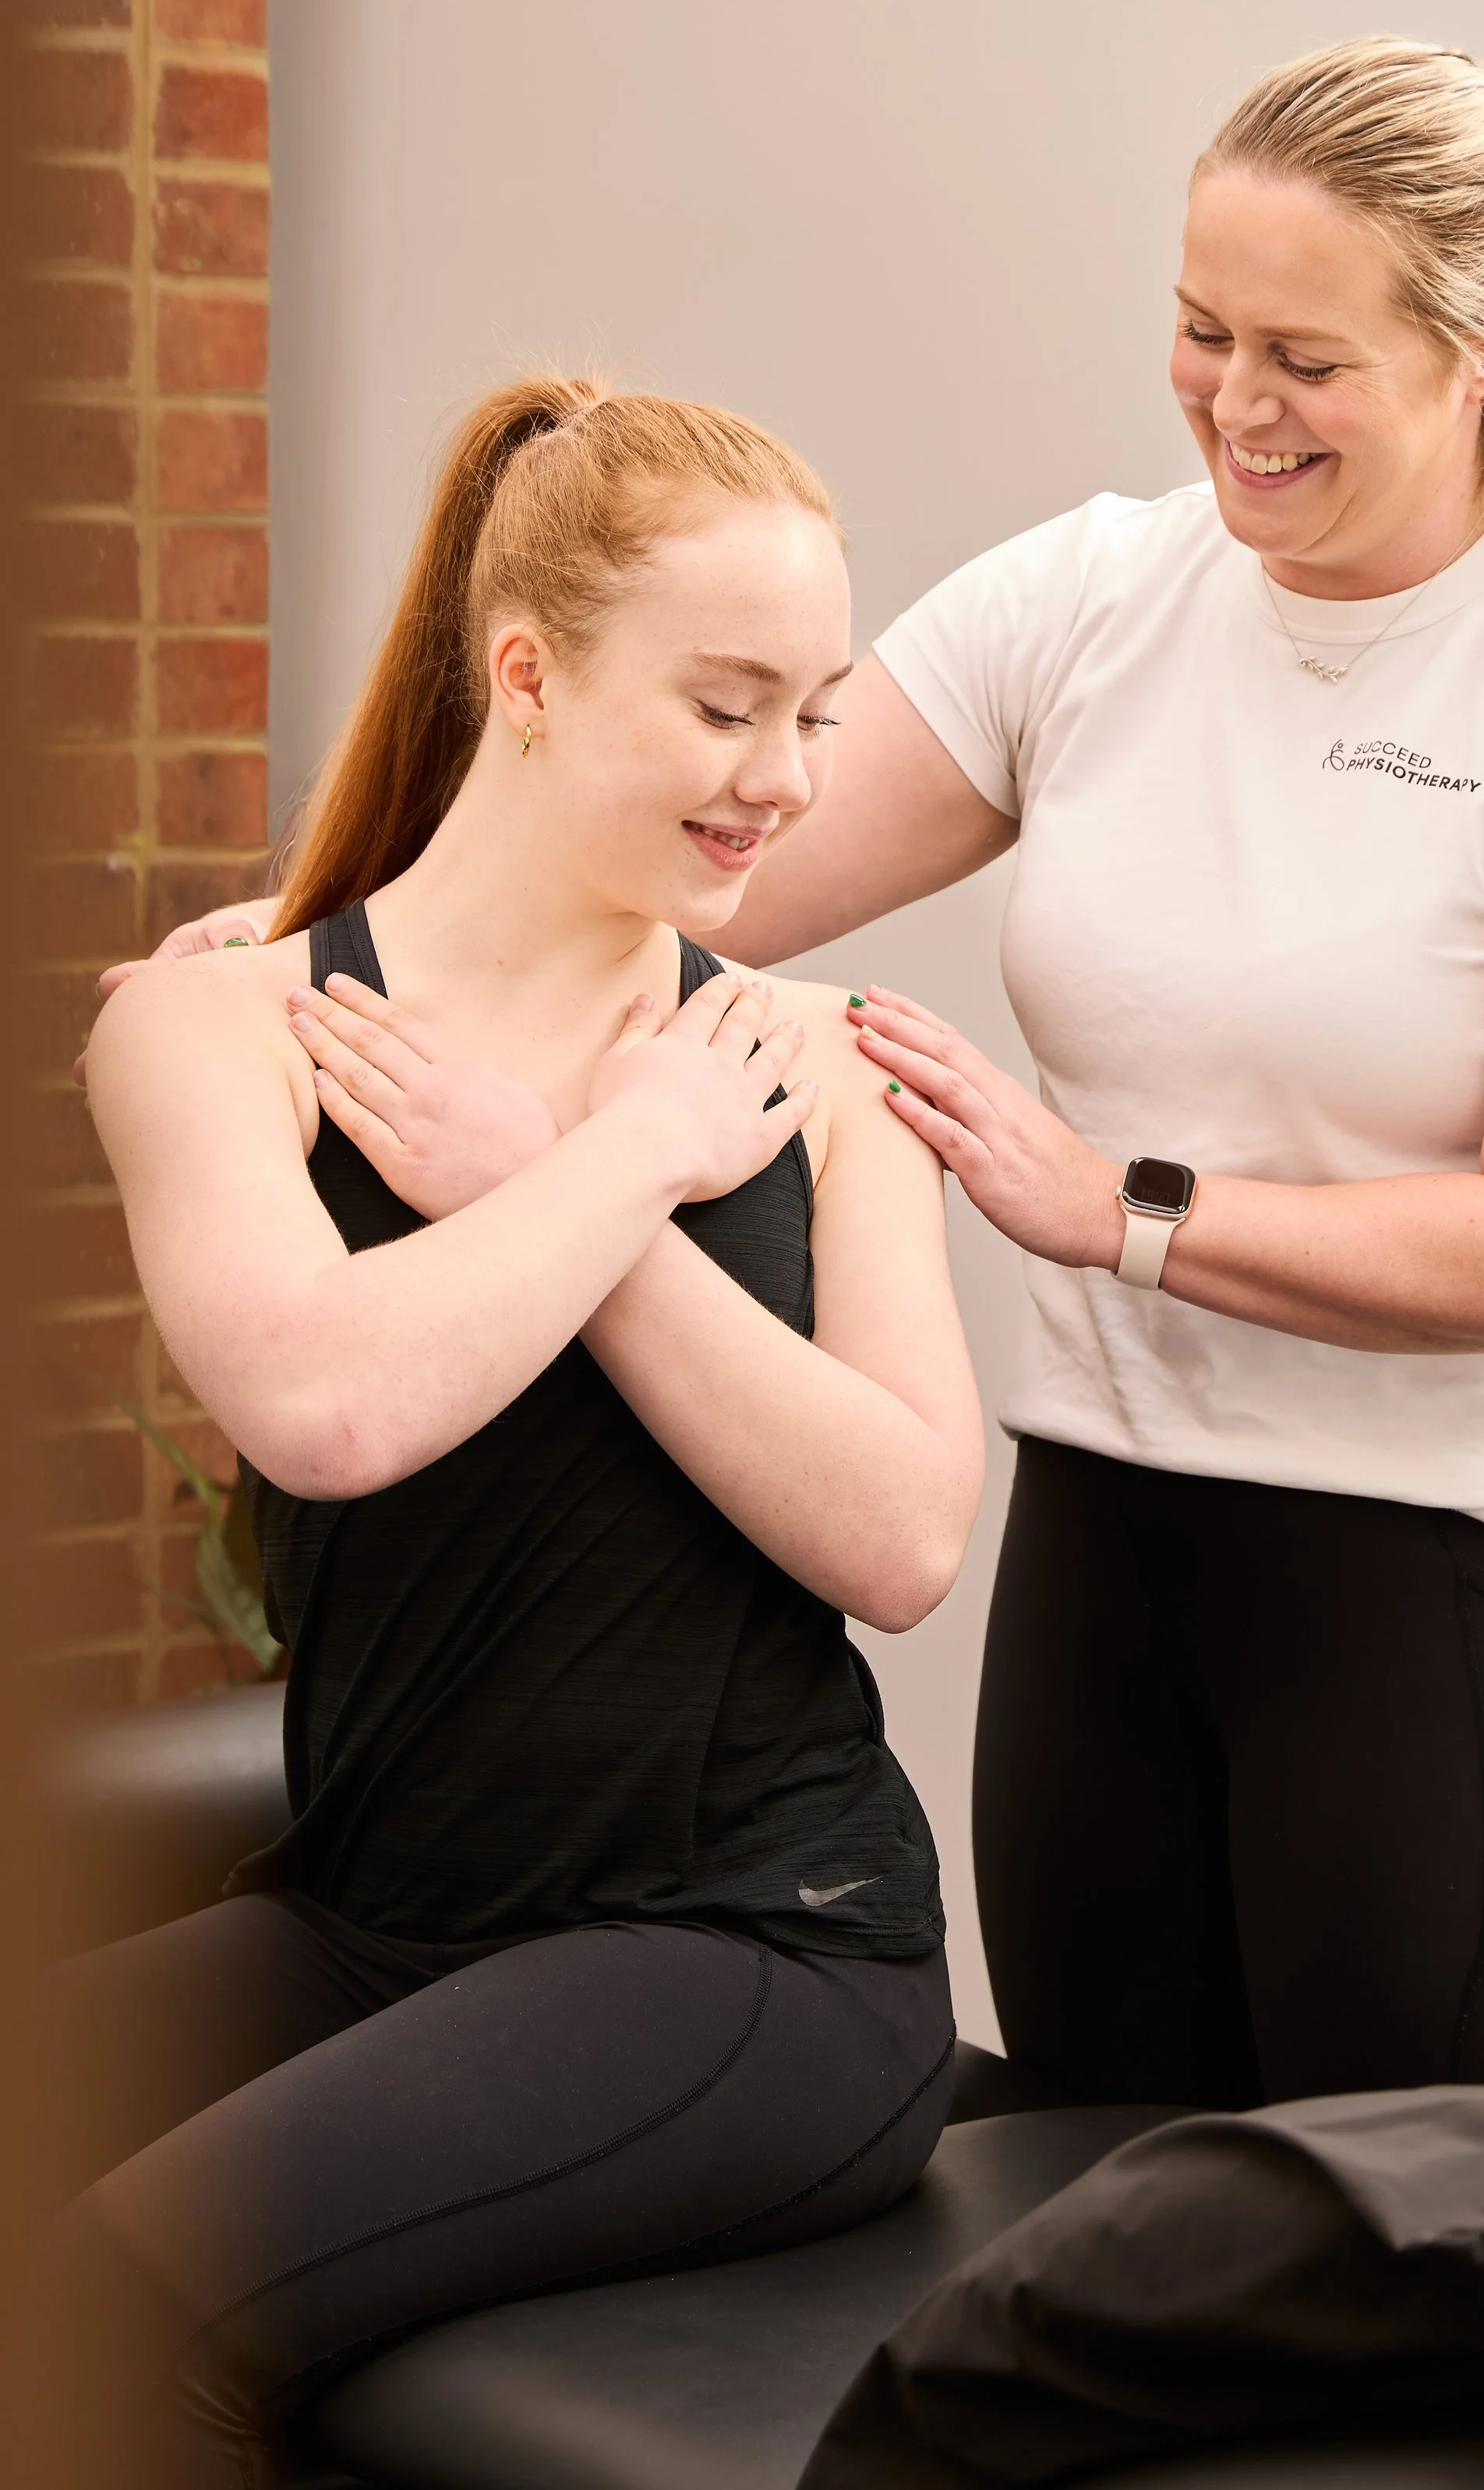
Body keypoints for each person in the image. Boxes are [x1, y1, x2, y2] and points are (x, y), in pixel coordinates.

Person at [140, 39, 1484, 2121]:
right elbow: (699, 853)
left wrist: (1115, 1201)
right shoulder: (1102, 594)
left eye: (1302, 356)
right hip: (1118, 1549)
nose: (1229, 400)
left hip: (1461, 1589)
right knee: (1097, 2233)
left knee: (1406, 2295)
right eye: (1199, 330)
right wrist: (309, 947)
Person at [61, 380, 985, 2485]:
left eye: (815, 714)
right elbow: (323, 1396)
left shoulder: (812, 1065)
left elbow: (907, 1534)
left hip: (757, 1945)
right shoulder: (223, 1025)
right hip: (379, 1921)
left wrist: (590, 1182)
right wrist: (607, 1161)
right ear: (530, 675)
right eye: (729, 706)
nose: (784, 782)